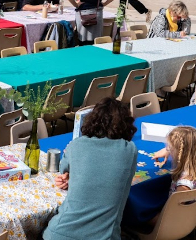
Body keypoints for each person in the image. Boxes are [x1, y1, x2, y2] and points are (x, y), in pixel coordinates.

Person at [43, 97, 137, 240]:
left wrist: (71, 174)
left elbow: (63, 167)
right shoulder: (130, 150)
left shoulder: (76, 145)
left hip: (59, 233)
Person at [150, 126, 196, 193]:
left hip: (175, 203)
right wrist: (169, 151)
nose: (167, 148)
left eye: (170, 147)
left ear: (179, 153)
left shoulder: (183, 186)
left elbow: (177, 203)